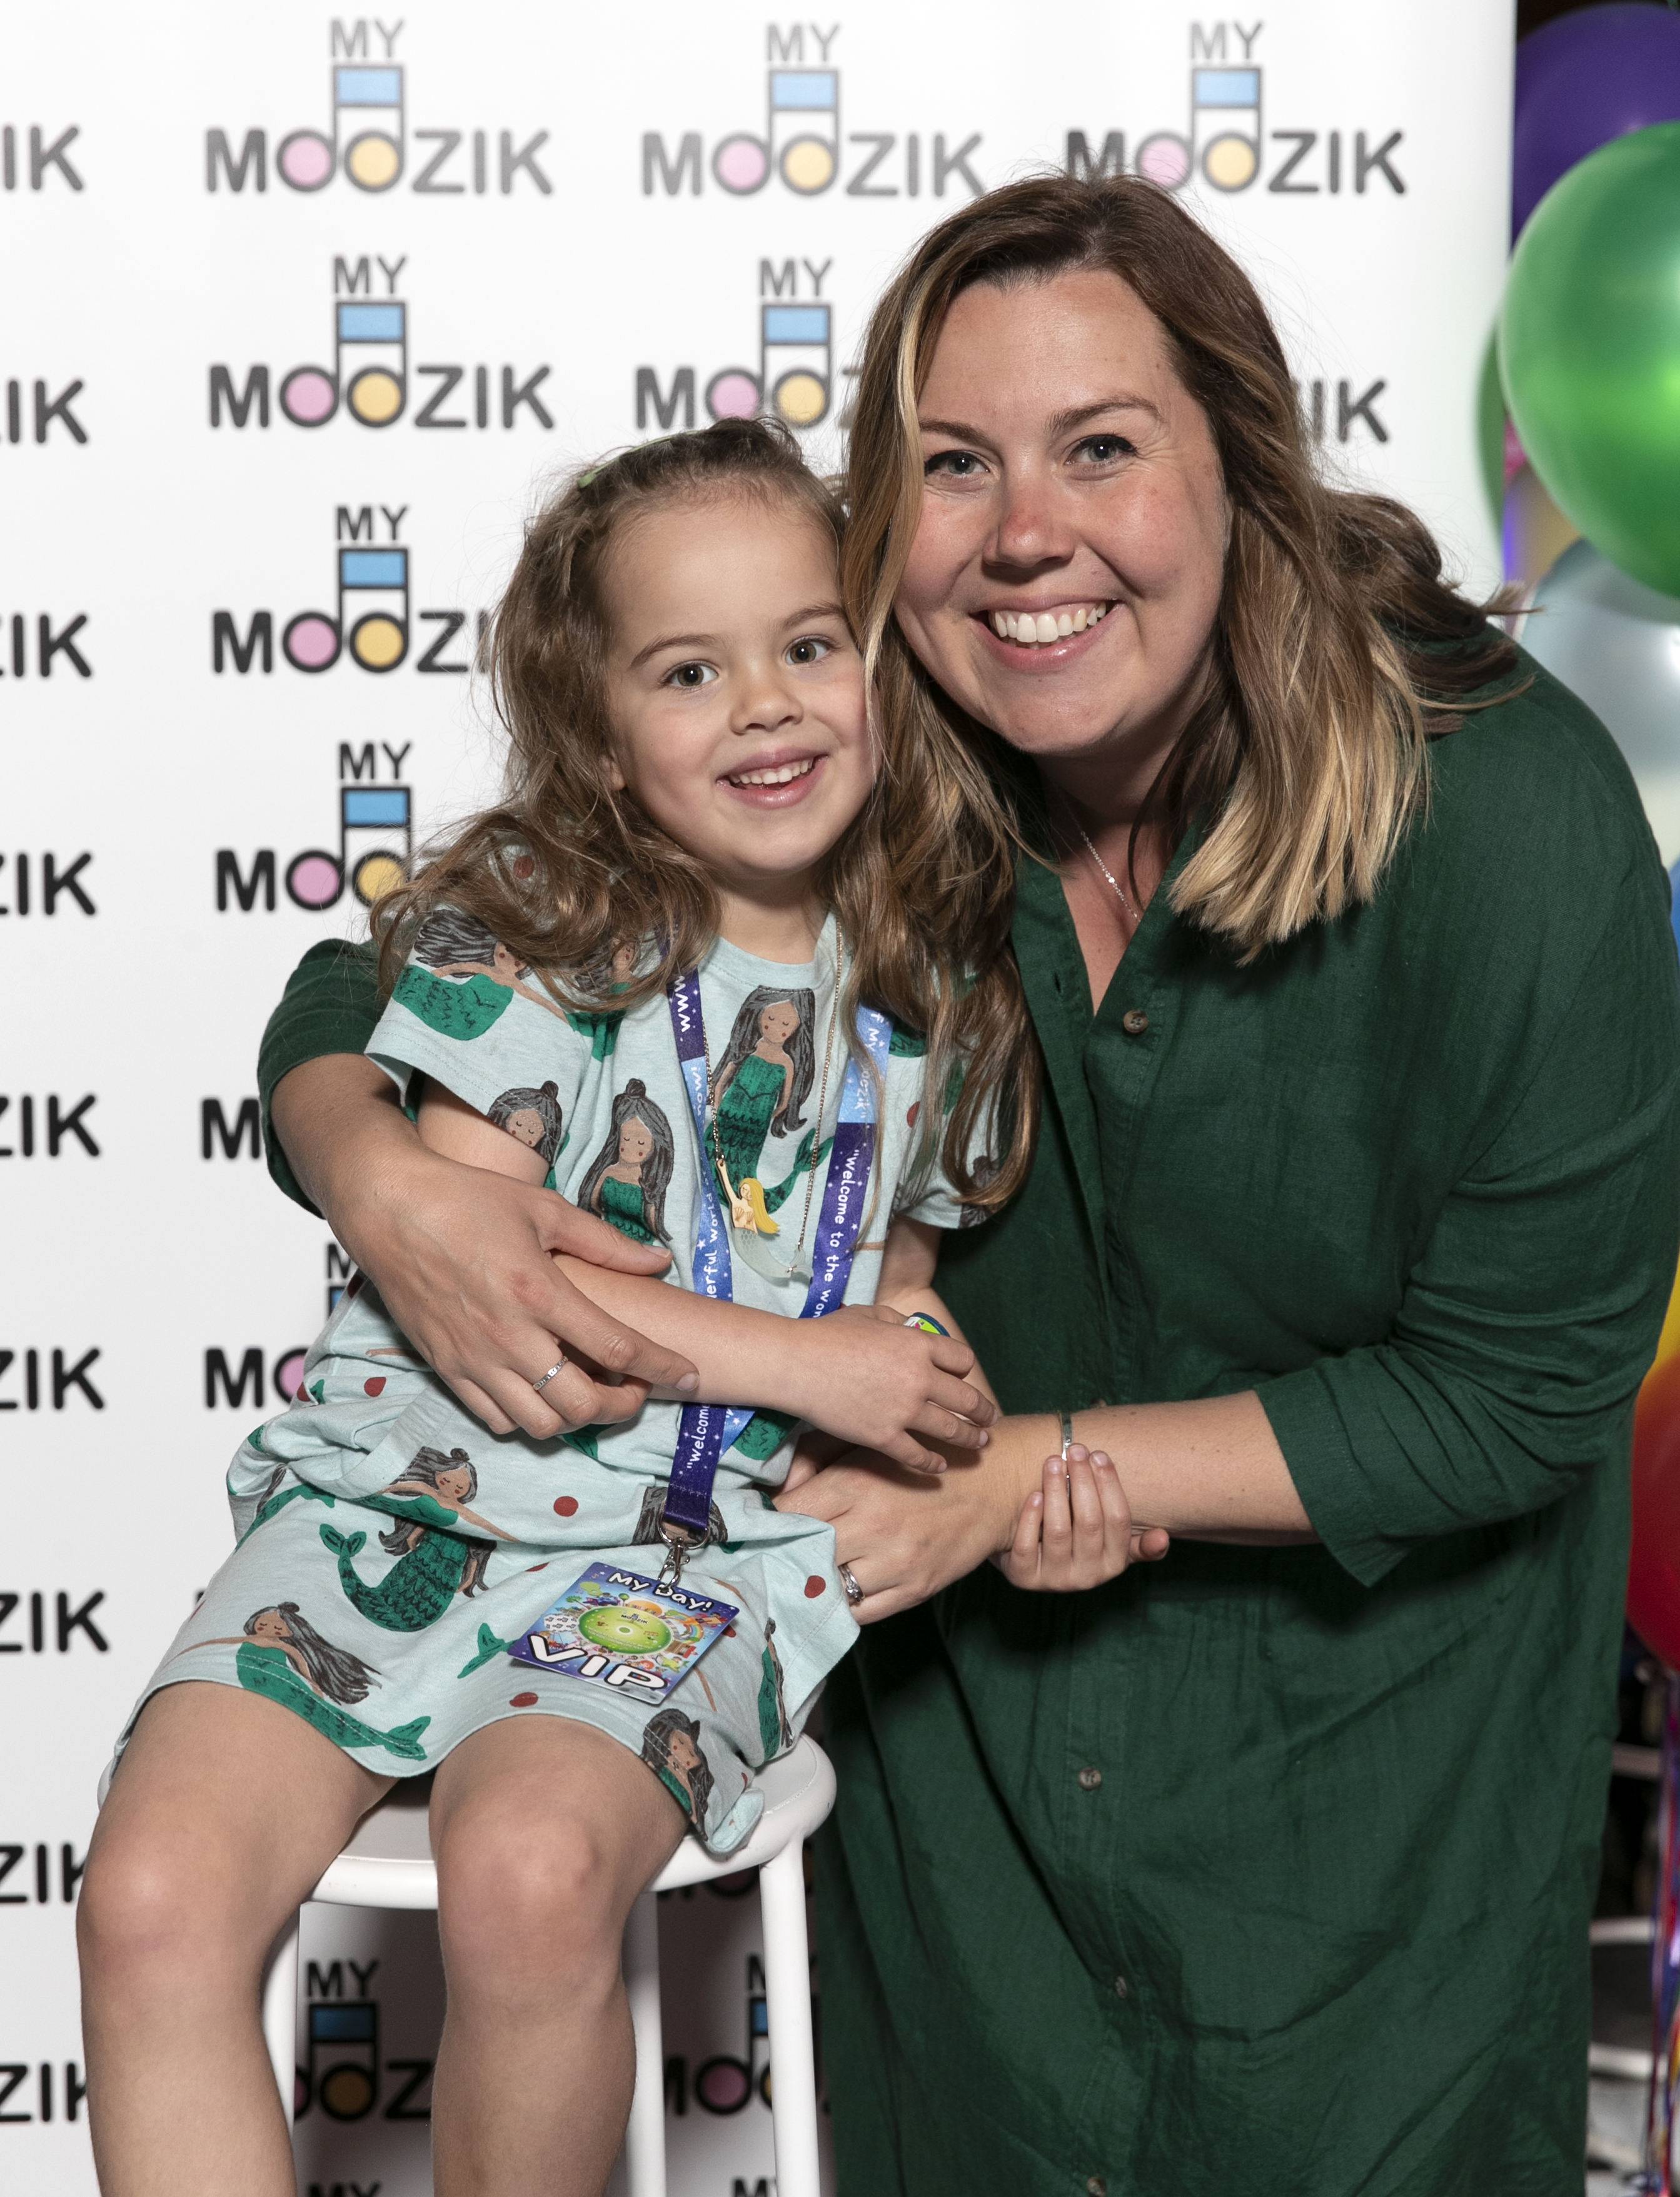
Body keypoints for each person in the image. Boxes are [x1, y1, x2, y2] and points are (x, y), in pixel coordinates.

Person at [241, 175, 1677, 2193]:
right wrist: (377, 1170)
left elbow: (1522, 1390)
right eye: (954, 465)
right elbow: (395, 966)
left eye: (1103, 448)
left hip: (1369, 1890)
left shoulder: (1503, 806)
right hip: (966, 1894)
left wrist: (1033, 1471)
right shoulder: (847, 742)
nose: (1025, 533)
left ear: (1241, 465)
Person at [77, 417, 1153, 2197]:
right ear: (597, 729)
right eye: (689, 669)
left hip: (680, 1560)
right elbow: (513, 1275)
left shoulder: (945, 982)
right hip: (402, 1507)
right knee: (148, 1895)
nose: (765, 707)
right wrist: (814, 1364)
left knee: (530, 1872)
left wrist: (917, 1376)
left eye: (808, 646)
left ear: (881, 667)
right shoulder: (526, 926)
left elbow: (903, 1278)